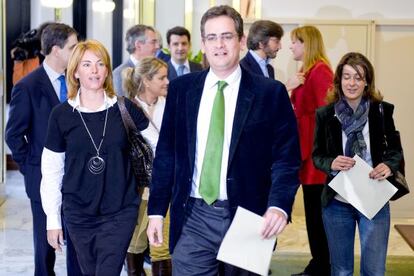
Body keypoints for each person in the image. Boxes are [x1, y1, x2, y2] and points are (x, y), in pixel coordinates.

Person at [146, 5, 301, 275]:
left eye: (227, 36)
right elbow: (167, 154)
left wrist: (278, 205)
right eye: (212, 37)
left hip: (249, 217)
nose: (219, 44)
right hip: (193, 215)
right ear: (203, 44)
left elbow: (286, 158)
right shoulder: (182, 90)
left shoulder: (269, 93)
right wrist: (156, 211)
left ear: (241, 41)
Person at [40, 39, 149, 276]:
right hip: (78, 213)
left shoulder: (124, 108)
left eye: (100, 64)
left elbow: (158, 145)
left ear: (108, 70)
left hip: (120, 210)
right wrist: (52, 221)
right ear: (75, 71)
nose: (95, 70)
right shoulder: (61, 115)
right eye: (87, 65)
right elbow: (51, 171)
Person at [312, 52, 402, 276]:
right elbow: (317, 155)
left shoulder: (382, 111)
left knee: (374, 270)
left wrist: (389, 165)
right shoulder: (325, 114)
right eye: (347, 77)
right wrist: (332, 162)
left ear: (367, 82)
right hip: (337, 203)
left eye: (358, 77)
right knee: (341, 270)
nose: (351, 83)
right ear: (339, 80)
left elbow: (395, 150)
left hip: (374, 199)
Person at [5, 23, 81, 276]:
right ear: (57, 50)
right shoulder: (27, 86)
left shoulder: (77, 81)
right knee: (45, 245)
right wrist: (31, 168)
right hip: (42, 179)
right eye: (73, 46)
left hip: (79, 177)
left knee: (78, 242)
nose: (77, 51)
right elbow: (13, 135)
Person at [287, 25, 333, 276]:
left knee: (318, 217)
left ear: (306, 44)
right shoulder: (308, 71)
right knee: (314, 216)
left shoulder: (320, 71)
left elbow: (327, 116)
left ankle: (321, 266)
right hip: (308, 158)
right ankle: (319, 264)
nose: (291, 46)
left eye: (295, 42)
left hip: (316, 160)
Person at [123, 57, 171, 275]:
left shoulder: (171, 106)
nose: (167, 81)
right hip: (136, 188)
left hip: (165, 186)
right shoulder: (126, 109)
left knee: (161, 248)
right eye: (161, 77)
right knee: (134, 244)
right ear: (146, 80)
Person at [113, 24, 160, 96]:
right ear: (138, 45)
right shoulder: (119, 74)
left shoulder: (157, 70)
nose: (157, 46)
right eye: (153, 42)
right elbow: (121, 105)